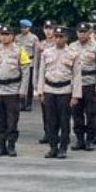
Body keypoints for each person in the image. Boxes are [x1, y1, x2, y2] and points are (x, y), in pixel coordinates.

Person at [0, 23, 31, 156]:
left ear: (12, 36)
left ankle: (11, 145)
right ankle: (1, 145)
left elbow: (25, 72)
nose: (4, 37)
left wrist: (23, 90)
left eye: (7, 34)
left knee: (12, 120)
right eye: (2, 34)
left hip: (13, 90)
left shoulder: (20, 51)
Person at [36, 24, 75, 159]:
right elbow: (41, 72)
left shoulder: (73, 54)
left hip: (65, 90)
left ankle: (63, 147)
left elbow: (76, 76)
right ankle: (53, 147)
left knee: (64, 121)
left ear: (67, 38)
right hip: (49, 89)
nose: (58, 39)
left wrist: (75, 95)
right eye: (56, 36)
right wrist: (40, 91)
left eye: (61, 37)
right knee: (50, 120)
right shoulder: (47, 53)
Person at [70, 22, 96, 150]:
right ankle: (79, 139)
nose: (82, 34)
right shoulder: (71, 46)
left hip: (90, 83)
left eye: (84, 32)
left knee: (92, 114)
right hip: (76, 84)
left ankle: (90, 139)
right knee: (76, 113)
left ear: (89, 33)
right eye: (80, 32)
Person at [16, 19, 38, 111]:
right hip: (20, 63)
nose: (23, 29)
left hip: (30, 62)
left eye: (25, 27)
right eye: (21, 27)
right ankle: (21, 103)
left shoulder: (34, 38)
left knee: (29, 85)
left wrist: (36, 64)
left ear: (29, 28)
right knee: (20, 83)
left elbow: (36, 52)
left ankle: (29, 103)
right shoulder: (17, 38)